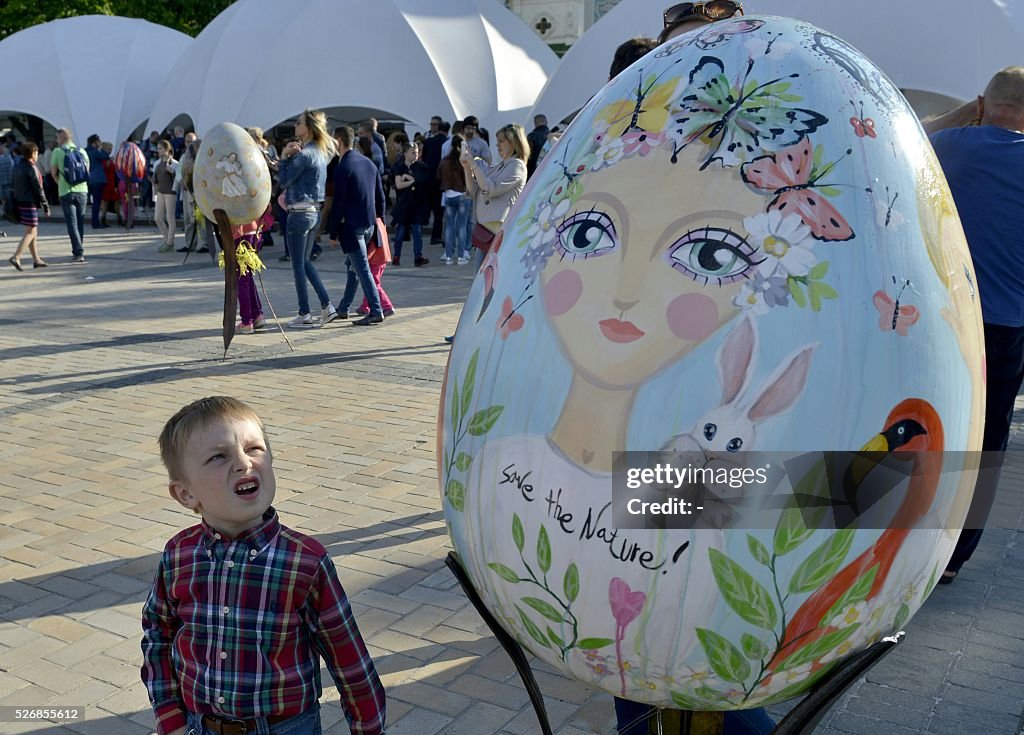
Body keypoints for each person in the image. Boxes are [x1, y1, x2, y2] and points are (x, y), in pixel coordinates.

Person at [142, 396, 386, 735]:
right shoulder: (179, 555)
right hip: (200, 726)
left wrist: (369, 728)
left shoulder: (305, 562)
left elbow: (349, 661)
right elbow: (158, 634)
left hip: (286, 727)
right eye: (219, 456)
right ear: (186, 494)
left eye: (254, 448)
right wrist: (169, 716)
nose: (243, 464)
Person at [928, 66, 1024, 583]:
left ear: (985, 103)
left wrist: (970, 110)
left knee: (921, 424)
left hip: (942, 320)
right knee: (986, 441)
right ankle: (954, 555)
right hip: (1006, 326)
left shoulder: (950, 146)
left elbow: (909, 134)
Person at [277, 109, 336, 328]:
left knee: (298, 265)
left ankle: (305, 312)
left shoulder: (305, 154)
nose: (295, 126)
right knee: (305, 261)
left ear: (309, 127)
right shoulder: (319, 152)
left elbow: (284, 181)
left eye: (299, 123)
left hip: (299, 213)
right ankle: (326, 306)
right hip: (313, 212)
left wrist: (284, 157)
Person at [327, 125, 387, 326]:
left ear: (339, 141)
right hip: (369, 224)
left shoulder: (343, 167)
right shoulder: (368, 163)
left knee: (361, 268)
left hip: (353, 227)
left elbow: (339, 202)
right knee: (352, 265)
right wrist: (381, 220)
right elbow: (381, 196)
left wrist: (333, 232)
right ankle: (343, 308)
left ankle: (376, 310)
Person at [461, 122, 528, 267]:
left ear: (513, 142)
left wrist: (473, 165)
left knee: (490, 279)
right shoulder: (500, 166)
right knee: (482, 279)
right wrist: (467, 168)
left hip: (499, 232)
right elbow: (474, 190)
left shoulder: (517, 165)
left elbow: (490, 189)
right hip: (487, 230)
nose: (497, 145)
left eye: (501, 141)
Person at [7, 142, 50, 271]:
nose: (38, 155)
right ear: (32, 154)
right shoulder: (31, 168)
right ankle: (16, 257)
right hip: (30, 203)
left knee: (32, 232)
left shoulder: (18, 166)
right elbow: (38, 189)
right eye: (37, 153)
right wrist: (46, 206)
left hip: (20, 202)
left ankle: (36, 260)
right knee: (31, 232)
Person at [50, 127, 90, 263]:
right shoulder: (82, 151)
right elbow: (86, 171)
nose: (56, 140)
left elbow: (53, 172)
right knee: (80, 222)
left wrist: (61, 183)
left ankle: (78, 252)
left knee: (71, 223)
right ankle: (79, 249)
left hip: (66, 191)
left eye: (57, 138)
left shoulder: (57, 151)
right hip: (82, 191)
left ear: (61, 138)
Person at [390, 142, 431, 267]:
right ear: (405, 153)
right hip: (404, 204)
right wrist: (412, 181)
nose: (416, 154)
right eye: (413, 152)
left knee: (418, 231)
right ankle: (396, 256)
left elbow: (424, 181)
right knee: (401, 232)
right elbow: (399, 185)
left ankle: (418, 256)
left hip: (418, 204)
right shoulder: (400, 167)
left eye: (417, 152)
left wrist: (409, 179)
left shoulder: (421, 166)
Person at [437, 134, 472, 265]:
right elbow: (468, 178)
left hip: (448, 195)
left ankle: (448, 256)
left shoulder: (444, 160)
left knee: (449, 226)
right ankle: (462, 255)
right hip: (462, 195)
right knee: (462, 226)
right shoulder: (463, 161)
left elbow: (438, 176)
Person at [422, 115, 448, 244]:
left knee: (436, 210)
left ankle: (435, 235)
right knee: (437, 210)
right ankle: (435, 235)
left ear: (440, 126)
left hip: (435, 180)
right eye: (431, 124)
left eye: (434, 125)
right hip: (435, 180)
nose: (432, 127)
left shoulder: (440, 141)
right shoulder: (431, 141)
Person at [151, 140, 178, 252]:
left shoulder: (174, 163)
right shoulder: (157, 163)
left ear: (167, 150)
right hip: (160, 192)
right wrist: (153, 181)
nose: (159, 151)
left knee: (170, 218)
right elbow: (156, 178)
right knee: (157, 218)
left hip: (170, 193)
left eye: (161, 148)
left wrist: (171, 171)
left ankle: (169, 242)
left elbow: (178, 178)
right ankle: (167, 239)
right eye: (158, 148)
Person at [85, 134, 110, 229]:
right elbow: (105, 156)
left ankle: (94, 221)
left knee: (92, 202)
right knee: (97, 202)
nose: (100, 143)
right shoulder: (95, 151)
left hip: (89, 179)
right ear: (94, 142)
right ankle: (95, 223)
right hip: (98, 179)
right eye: (99, 141)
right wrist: (102, 148)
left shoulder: (85, 151)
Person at [526, 113, 550, 178]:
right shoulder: (552, 136)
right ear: (546, 122)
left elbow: (526, 156)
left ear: (535, 124)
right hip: (547, 172)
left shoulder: (531, 136)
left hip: (532, 173)